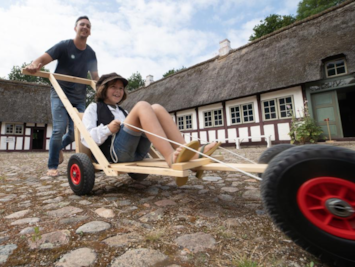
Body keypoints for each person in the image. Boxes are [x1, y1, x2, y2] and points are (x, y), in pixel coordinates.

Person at [82, 73, 220, 185]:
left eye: (121, 88)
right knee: (142, 105)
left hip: (137, 154)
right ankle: (171, 157)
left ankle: (189, 153)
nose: (118, 91)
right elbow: (86, 139)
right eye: (113, 87)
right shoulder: (93, 108)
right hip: (114, 155)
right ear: (103, 89)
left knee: (156, 108)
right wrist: (107, 129)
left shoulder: (124, 111)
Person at [26, 16, 99, 177]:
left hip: (79, 96)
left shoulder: (91, 53)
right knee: (59, 129)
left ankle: (58, 147)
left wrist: (104, 87)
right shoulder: (64, 46)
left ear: (90, 31)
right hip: (60, 92)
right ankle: (52, 166)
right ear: (75, 28)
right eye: (82, 25)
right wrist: (34, 64)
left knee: (76, 132)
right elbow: (43, 58)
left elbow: (95, 77)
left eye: (88, 26)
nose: (85, 27)